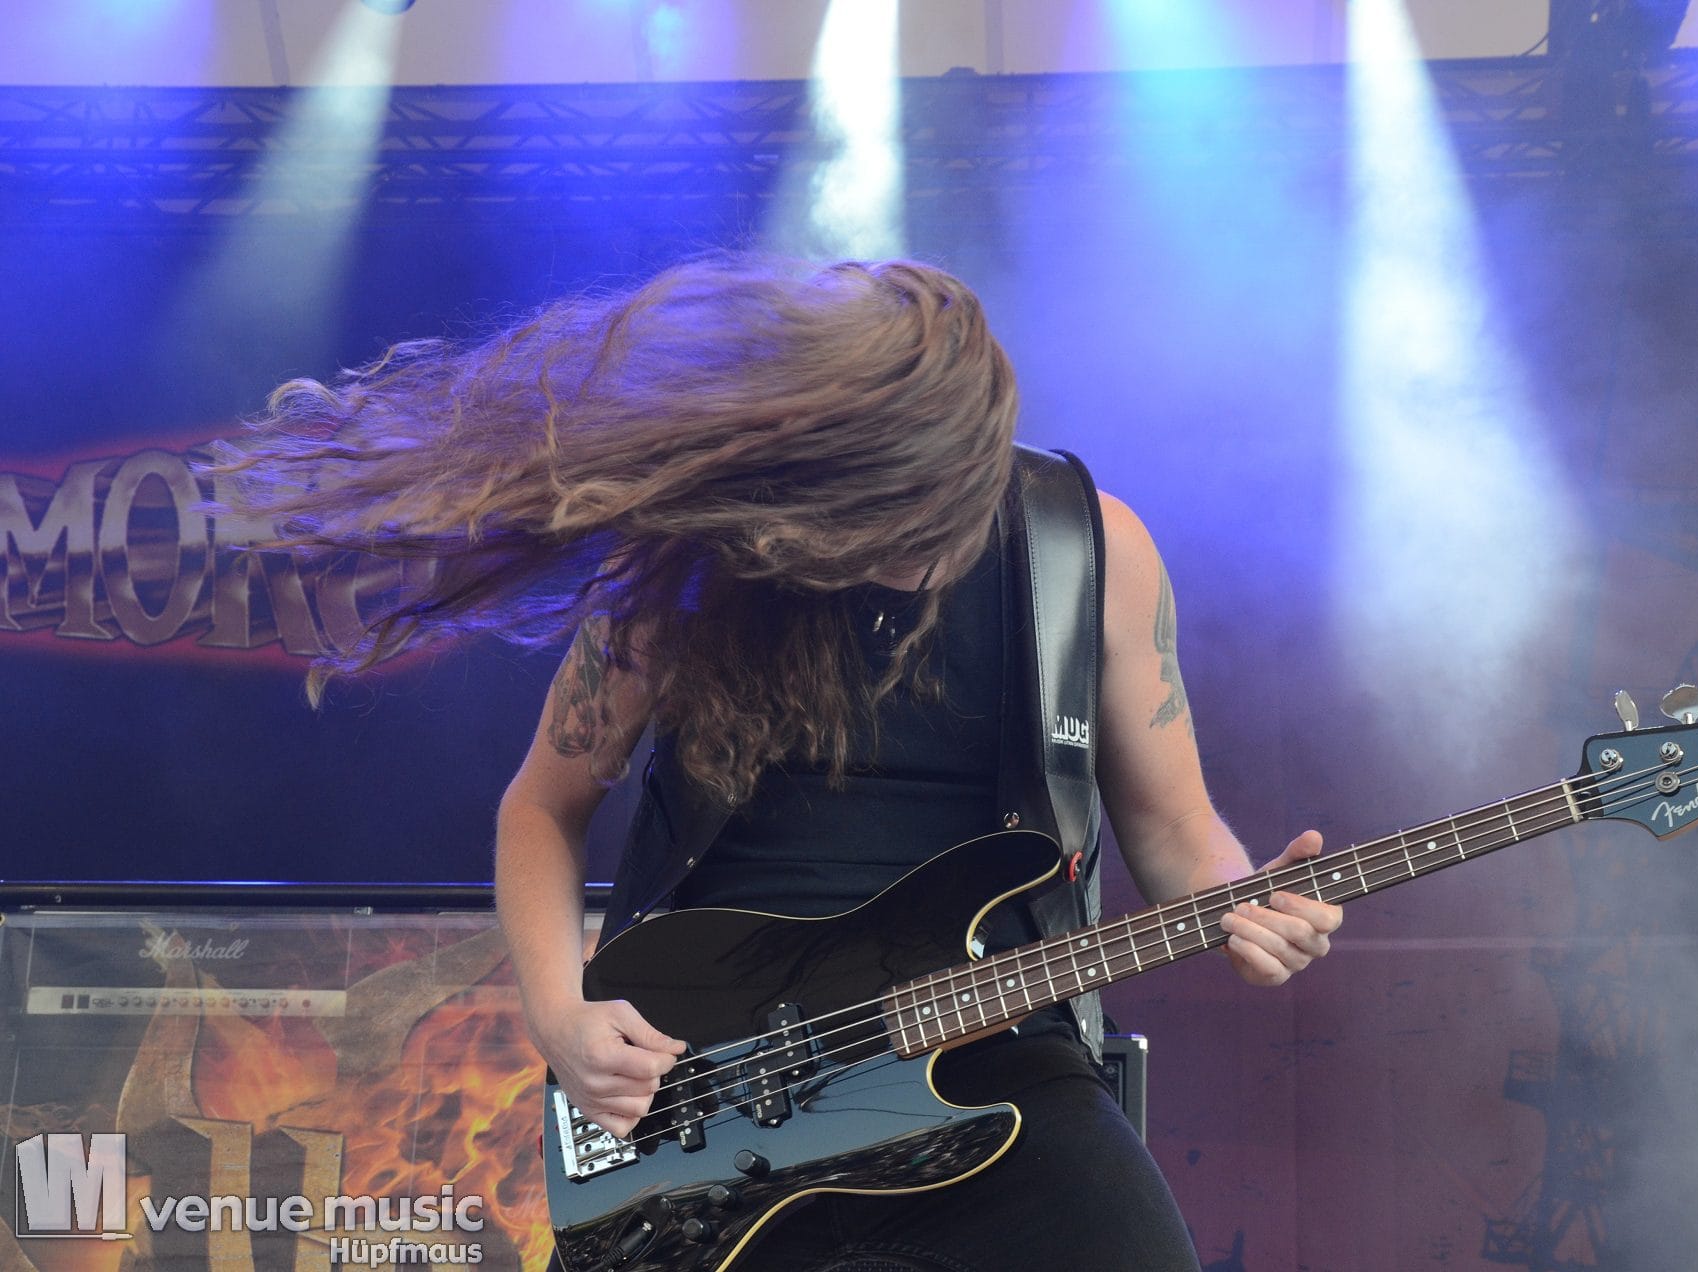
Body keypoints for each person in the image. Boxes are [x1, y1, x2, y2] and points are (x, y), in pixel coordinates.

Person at [215, 257, 1343, 1272]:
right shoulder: (699, 563)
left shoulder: (1087, 547)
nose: (909, 554)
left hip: (992, 1044)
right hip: (713, 1074)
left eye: (934, 522)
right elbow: (541, 808)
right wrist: (560, 1016)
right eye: (880, 521)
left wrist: (1242, 904)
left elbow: (1176, 831)